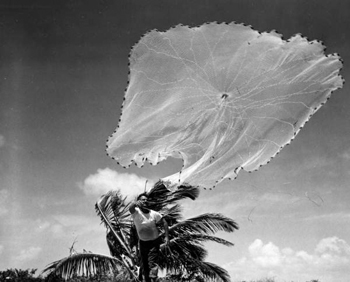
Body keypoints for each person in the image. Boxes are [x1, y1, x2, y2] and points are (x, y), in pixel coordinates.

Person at [129, 193, 169, 282]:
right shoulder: (136, 212)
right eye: (143, 200)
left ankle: (154, 278)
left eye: (146, 200)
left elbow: (164, 222)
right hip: (143, 243)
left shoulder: (154, 214)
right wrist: (135, 203)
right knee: (145, 266)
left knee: (152, 264)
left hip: (154, 243)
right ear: (139, 202)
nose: (145, 201)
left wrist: (167, 237)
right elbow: (130, 208)